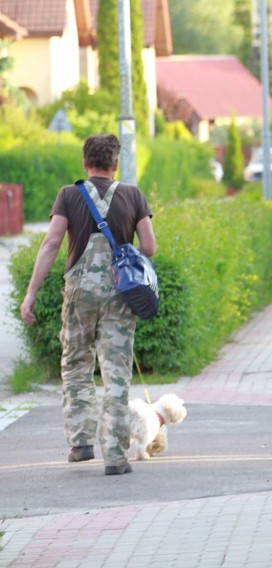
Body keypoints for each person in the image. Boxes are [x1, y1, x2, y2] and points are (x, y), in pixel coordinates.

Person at [20, 133, 157, 475]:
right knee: (116, 373)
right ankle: (114, 454)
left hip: (79, 292)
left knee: (76, 364)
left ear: (85, 163)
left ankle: (81, 443)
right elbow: (150, 246)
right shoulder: (133, 194)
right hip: (119, 295)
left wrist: (31, 293)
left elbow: (51, 243)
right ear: (115, 165)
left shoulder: (69, 194)